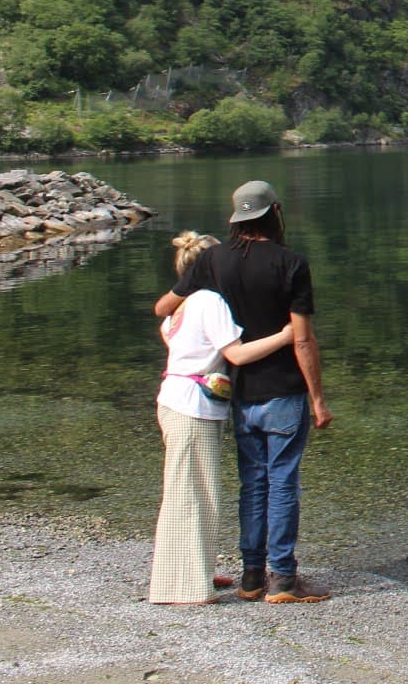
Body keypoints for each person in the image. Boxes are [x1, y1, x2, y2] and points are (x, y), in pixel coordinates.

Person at [156, 181, 333, 604]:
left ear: (237, 218)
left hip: (238, 394)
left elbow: (165, 308)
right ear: (276, 211)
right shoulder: (292, 263)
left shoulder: (213, 260)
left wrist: (184, 346)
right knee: (283, 483)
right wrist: (318, 398)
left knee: (252, 484)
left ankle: (252, 577)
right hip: (284, 390)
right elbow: (303, 340)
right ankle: (284, 580)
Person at [151, 231, 295, 605]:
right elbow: (238, 355)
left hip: (173, 399)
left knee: (187, 490)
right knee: (193, 495)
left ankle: (192, 568)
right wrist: (286, 335)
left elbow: (166, 331)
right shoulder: (209, 301)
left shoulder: (179, 306)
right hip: (192, 409)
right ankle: (184, 586)